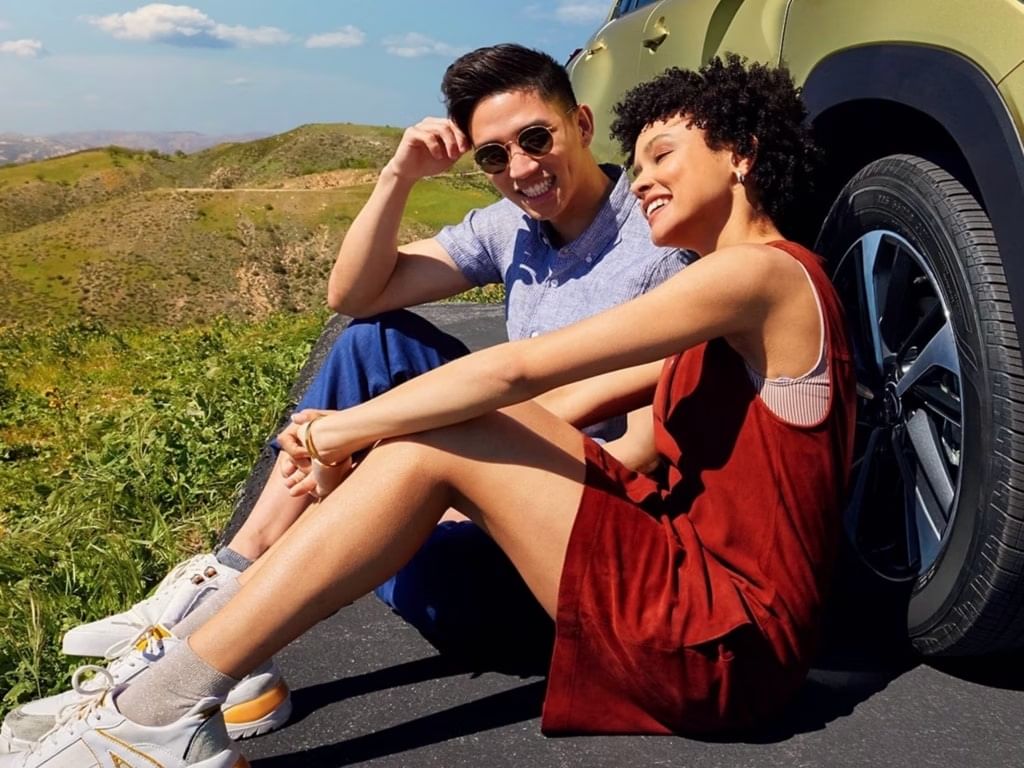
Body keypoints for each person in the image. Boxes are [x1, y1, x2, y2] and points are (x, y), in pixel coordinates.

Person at [0, 55, 855, 767]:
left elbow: (519, 369)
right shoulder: (722, 296)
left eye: (664, 156)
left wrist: (349, 432)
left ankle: (161, 706)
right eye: (645, 162)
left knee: (437, 439)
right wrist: (414, 463)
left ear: (741, 152)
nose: (647, 181)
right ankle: (174, 691)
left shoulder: (763, 275)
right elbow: (566, 405)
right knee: (434, 433)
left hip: (730, 647)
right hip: (688, 599)